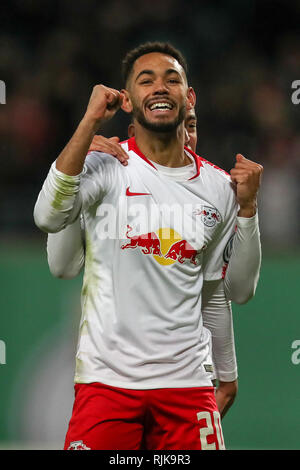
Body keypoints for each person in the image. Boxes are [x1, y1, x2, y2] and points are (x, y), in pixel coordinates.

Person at [34, 42, 262, 450]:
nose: (160, 87)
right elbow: (50, 224)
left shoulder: (218, 188)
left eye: (172, 79)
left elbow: (221, 293)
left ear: (188, 97)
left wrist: (225, 373)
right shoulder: (104, 165)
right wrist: (87, 124)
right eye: (146, 80)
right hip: (109, 383)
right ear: (127, 101)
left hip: (187, 387)